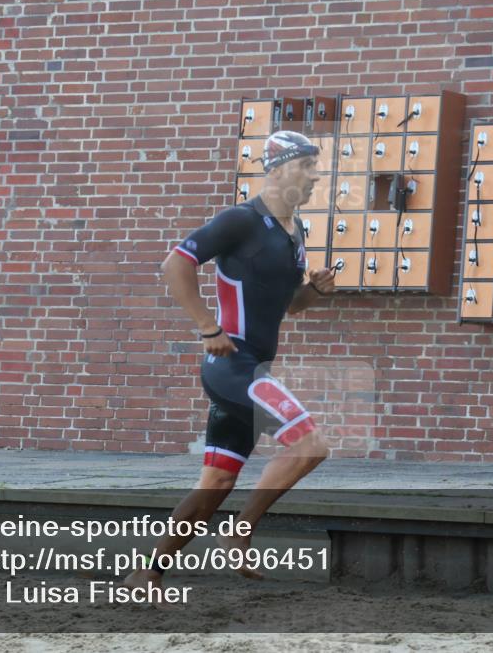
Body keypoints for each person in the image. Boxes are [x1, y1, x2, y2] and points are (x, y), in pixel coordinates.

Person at [124, 130, 336, 602]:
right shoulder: (241, 220)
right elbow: (175, 264)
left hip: (251, 369)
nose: (316, 176)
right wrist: (207, 326)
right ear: (279, 169)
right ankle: (239, 532)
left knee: (218, 481)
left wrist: (314, 291)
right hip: (233, 365)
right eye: (307, 166)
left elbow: (289, 306)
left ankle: (147, 574)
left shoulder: (295, 231)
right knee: (310, 444)